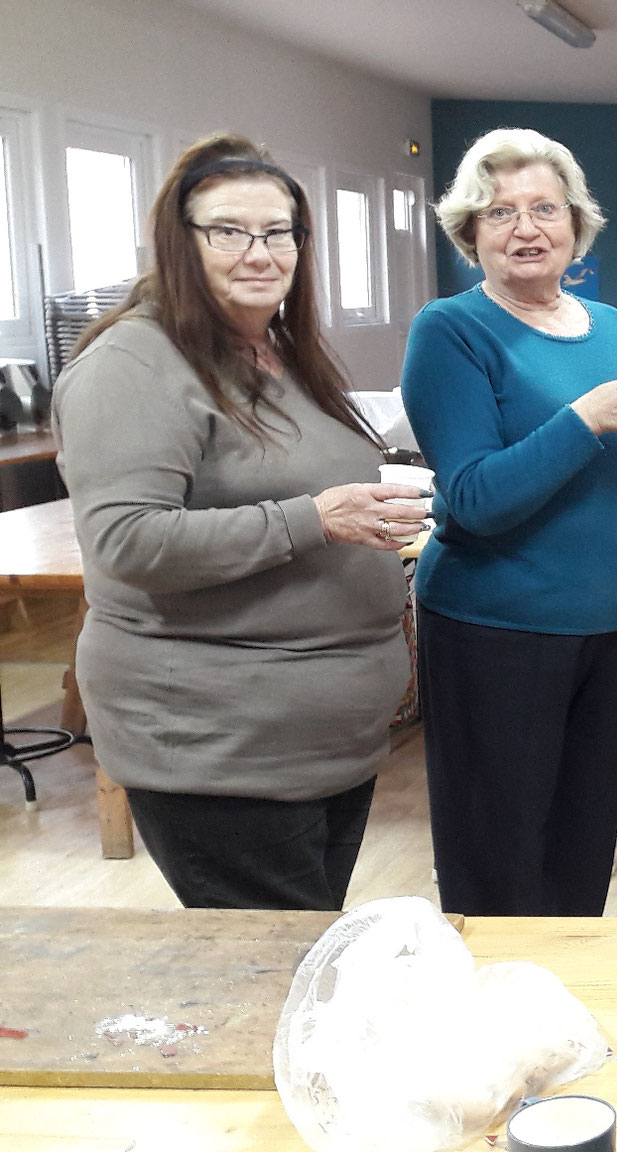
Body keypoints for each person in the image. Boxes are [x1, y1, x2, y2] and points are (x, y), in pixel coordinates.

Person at [55, 132, 416, 910]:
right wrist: (315, 518)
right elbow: (128, 543)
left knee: (308, 968)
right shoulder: (134, 363)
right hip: (220, 753)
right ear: (177, 242)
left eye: (278, 231)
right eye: (227, 230)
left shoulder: (277, 353)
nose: (260, 251)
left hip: (319, 747)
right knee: (273, 989)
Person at [402, 128, 617, 917]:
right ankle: (491, 1026)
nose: (526, 229)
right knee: (498, 860)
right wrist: (586, 416)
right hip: (496, 630)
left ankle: (564, 1014)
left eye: (543, 209)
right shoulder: (451, 331)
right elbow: (473, 499)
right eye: (499, 213)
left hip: (611, 627)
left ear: (575, 224)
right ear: (469, 233)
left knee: (583, 848)